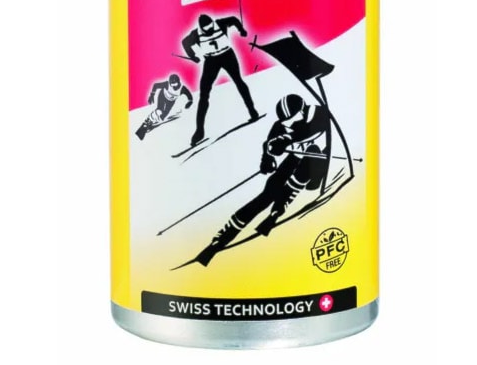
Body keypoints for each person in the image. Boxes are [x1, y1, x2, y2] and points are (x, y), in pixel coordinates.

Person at [195, 93, 330, 266]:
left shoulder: (318, 113)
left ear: (302, 111)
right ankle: (221, 239)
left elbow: (308, 131)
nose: (287, 126)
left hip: (316, 160)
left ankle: (280, 207)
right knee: (269, 191)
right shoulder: (281, 125)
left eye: (290, 122)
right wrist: (267, 159)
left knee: (308, 162)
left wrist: (286, 140)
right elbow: (269, 144)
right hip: (296, 158)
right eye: (285, 124)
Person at [181, 13, 258, 146]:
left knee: (238, 81)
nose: (210, 29)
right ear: (201, 28)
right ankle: (199, 131)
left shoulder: (220, 23)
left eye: (211, 26)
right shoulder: (196, 34)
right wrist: (193, 56)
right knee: (204, 95)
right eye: (207, 29)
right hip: (211, 61)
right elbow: (185, 42)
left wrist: (241, 30)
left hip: (227, 56)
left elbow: (233, 19)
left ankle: (252, 110)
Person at [135, 73, 193, 140]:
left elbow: (190, 96)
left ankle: (154, 121)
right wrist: (152, 95)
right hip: (162, 96)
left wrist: (189, 102)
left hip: (171, 101)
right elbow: (156, 85)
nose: (173, 87)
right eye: (172, 84)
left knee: (163, 116)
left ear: (179, 82)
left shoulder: (182, 89)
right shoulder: (166, 84)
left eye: (175, 84)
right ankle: (147, 122)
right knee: (159, 110)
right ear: (170, 83)